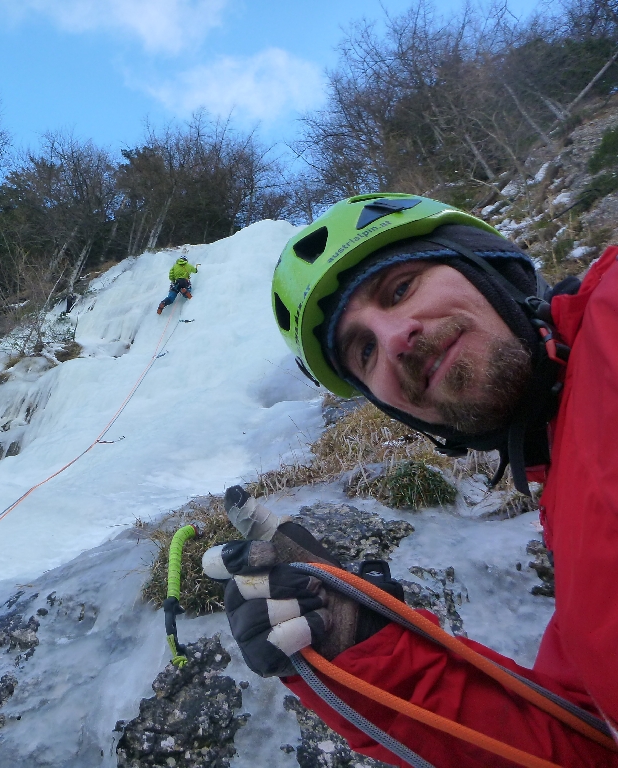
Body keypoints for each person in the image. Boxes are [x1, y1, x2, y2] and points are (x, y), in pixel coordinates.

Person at [218, 194, 618, 766]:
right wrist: (361, 649)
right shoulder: (566, 504)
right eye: (363, 349)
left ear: (487, 266)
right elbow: (586, 748)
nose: (397, 337)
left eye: (401, 287)